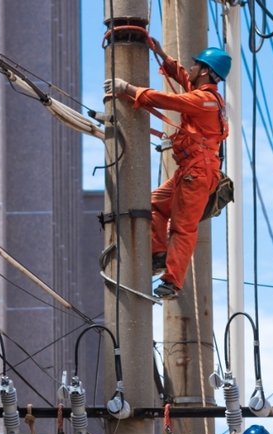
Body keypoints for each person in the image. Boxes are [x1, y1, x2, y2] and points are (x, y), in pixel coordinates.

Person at [104, 42, 231, 300]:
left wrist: (127, 89)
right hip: (190, 172)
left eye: (197, 64)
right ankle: (160, 253)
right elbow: (184, 76)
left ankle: (172, 282)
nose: (191, 67)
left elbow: (168, 100)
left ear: (206, 71)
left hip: (197, 175)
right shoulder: (205, 94)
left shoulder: (204, 100)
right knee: (153, 204)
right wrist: (161, 55)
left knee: (183, 227)